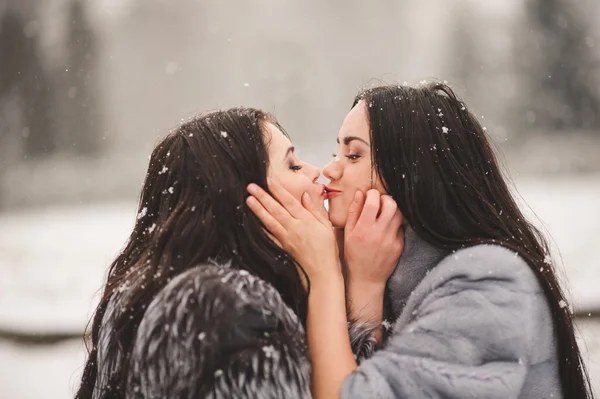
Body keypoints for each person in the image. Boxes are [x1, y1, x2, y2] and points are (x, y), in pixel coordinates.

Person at [246, 82, 595, 399]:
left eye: (353, 155)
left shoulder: (488, 281)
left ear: (412, 173)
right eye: (338, 152)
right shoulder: (373, 266)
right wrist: (362, 285)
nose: (329, 170)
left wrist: (325, 277)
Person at [76, 107, 326, 398]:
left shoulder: (166, 305)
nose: (315, 171)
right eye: (293, 165)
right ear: (243, 201)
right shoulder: (228, 312)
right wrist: (326, 278)